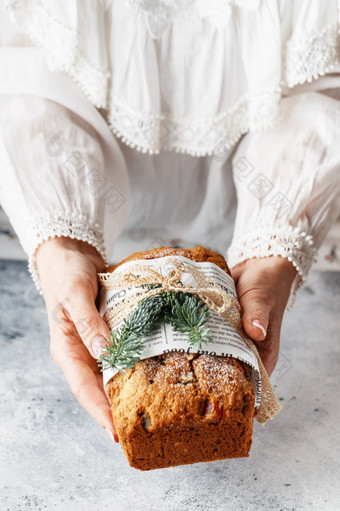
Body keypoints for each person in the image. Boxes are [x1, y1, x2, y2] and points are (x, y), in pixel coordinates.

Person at [0, 0, 339, 443]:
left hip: (275, 222)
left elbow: (320, 76)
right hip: (91, 231)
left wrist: (273, 251)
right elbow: (27, 67)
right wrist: (63, 247)